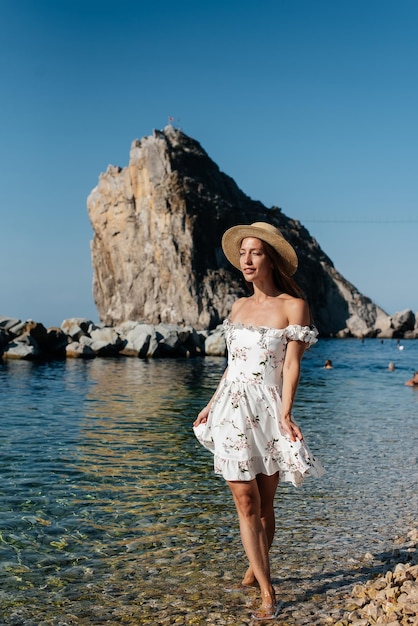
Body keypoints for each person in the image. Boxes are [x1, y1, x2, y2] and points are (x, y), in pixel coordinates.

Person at [193, 222, 325, 620]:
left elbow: (292, 367)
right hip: (232, 409)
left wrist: (286, 412)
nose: (246, 260)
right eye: (242, 254)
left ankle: (256, 567)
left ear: (271, 258)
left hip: (267, 410)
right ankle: (268, 592)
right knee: (245, 500)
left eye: (255, 253)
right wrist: (211, 402)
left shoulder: (293, 306)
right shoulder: (237, 307)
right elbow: (232, 367)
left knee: (266, 504)